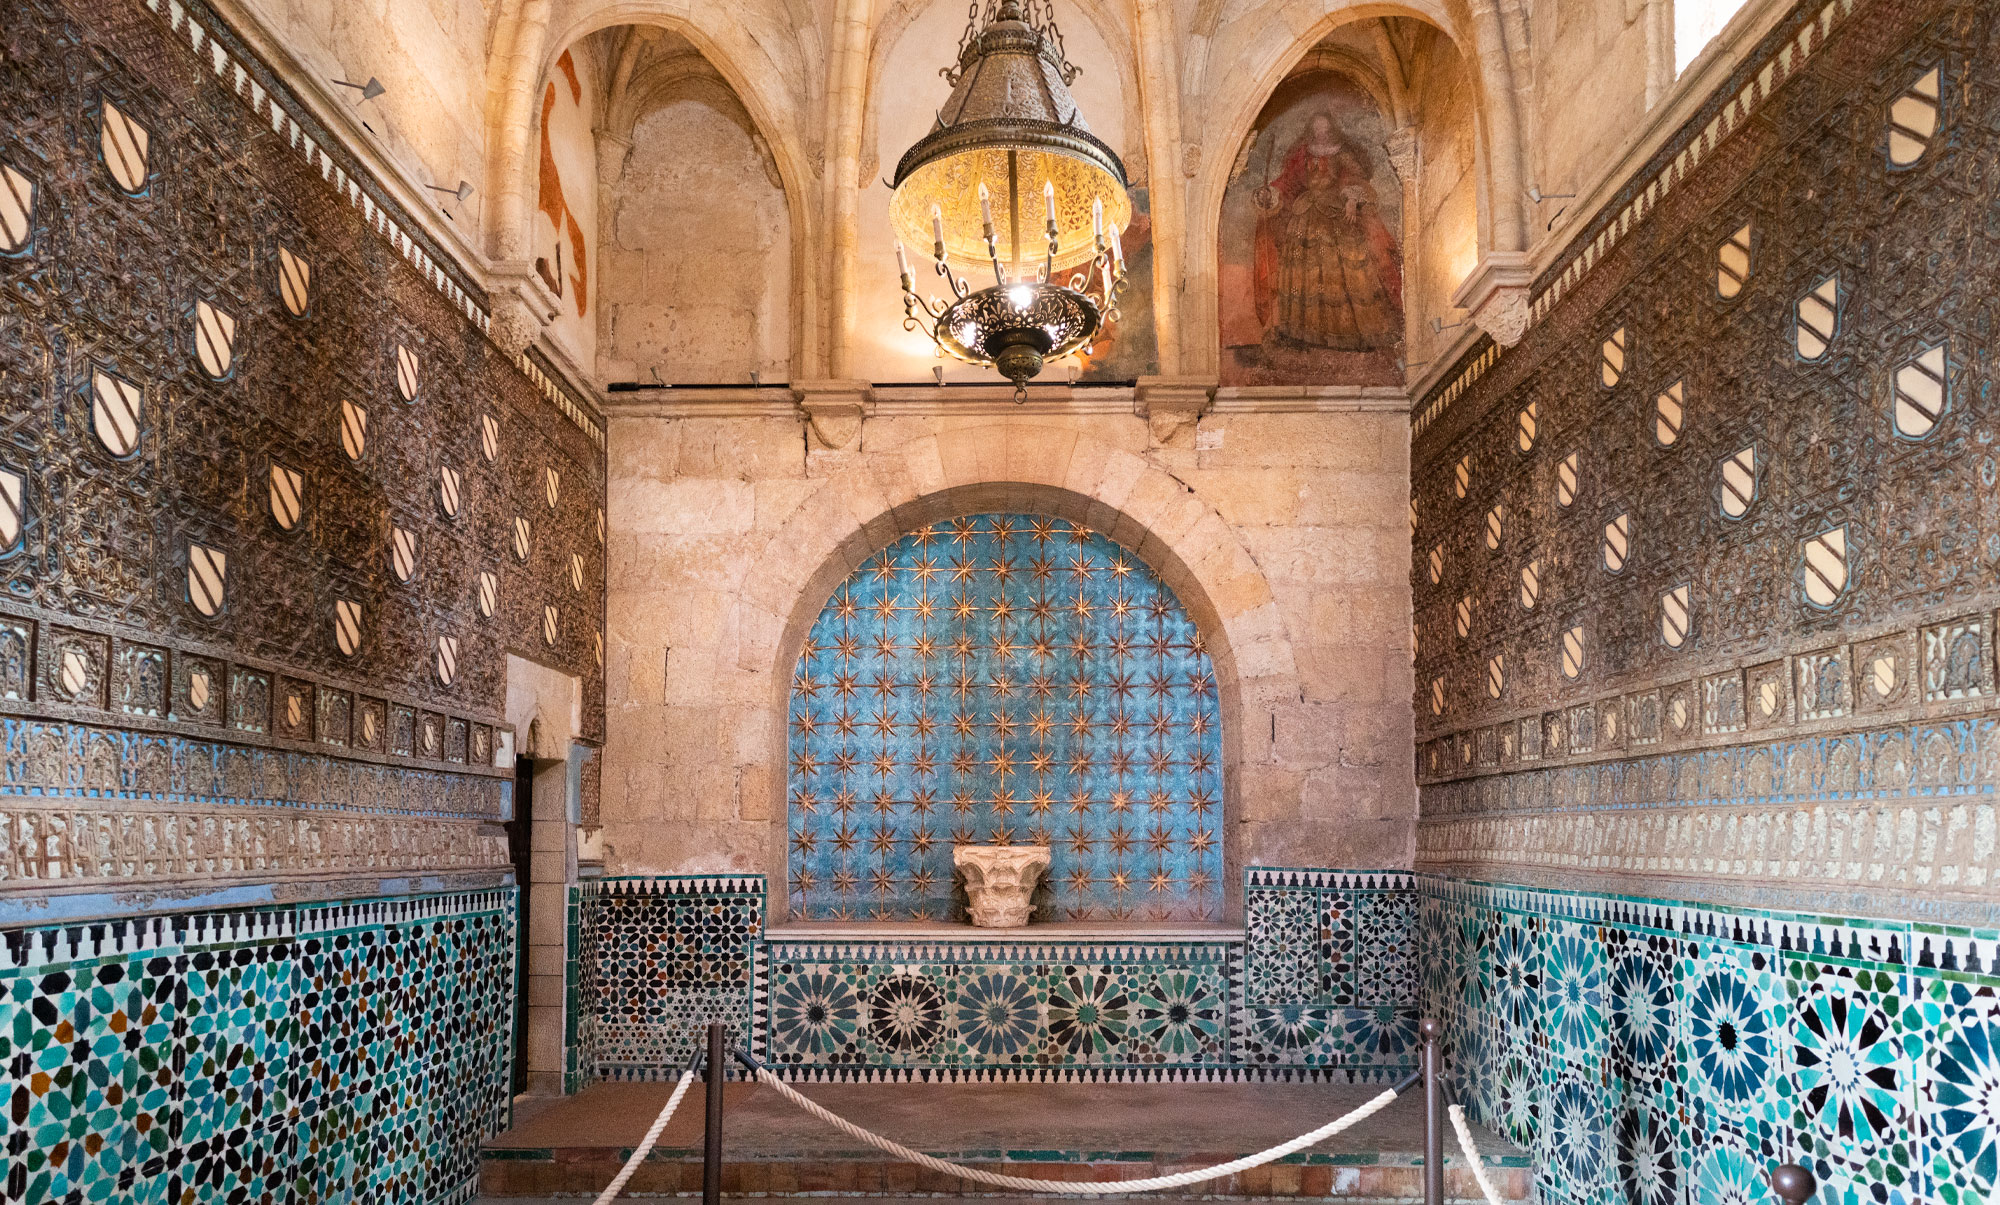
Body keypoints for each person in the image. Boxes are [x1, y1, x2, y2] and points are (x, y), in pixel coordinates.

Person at [1251, 111, 1402, 351]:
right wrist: (1270, 193)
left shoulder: (1341, 153)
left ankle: (1349, 335)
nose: (1321, 134)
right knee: (1305, 272)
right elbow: (1288, 182)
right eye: (1317, 130)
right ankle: (1305, 334)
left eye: (1325, 130)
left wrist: (1352, 199)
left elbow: (1357, 179)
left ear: (1332, 130)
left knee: (1345, 269)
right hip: (1305, 213)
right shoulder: (1302, 154)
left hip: (1336, 211)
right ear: (1311, 131)